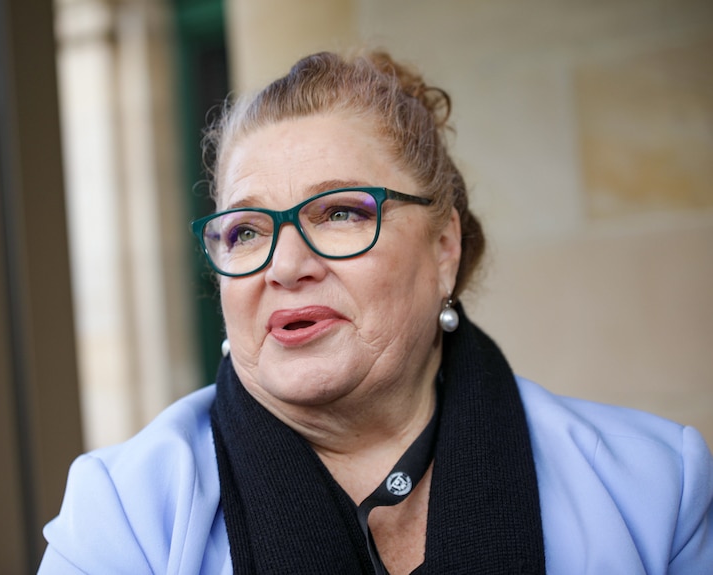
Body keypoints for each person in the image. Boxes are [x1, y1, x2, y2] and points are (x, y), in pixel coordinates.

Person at [38, 49, 713, 574]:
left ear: (444, 247)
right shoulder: (121, 512)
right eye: (246, 230)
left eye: (338, 213)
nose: (283, 265)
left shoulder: (653, 487)